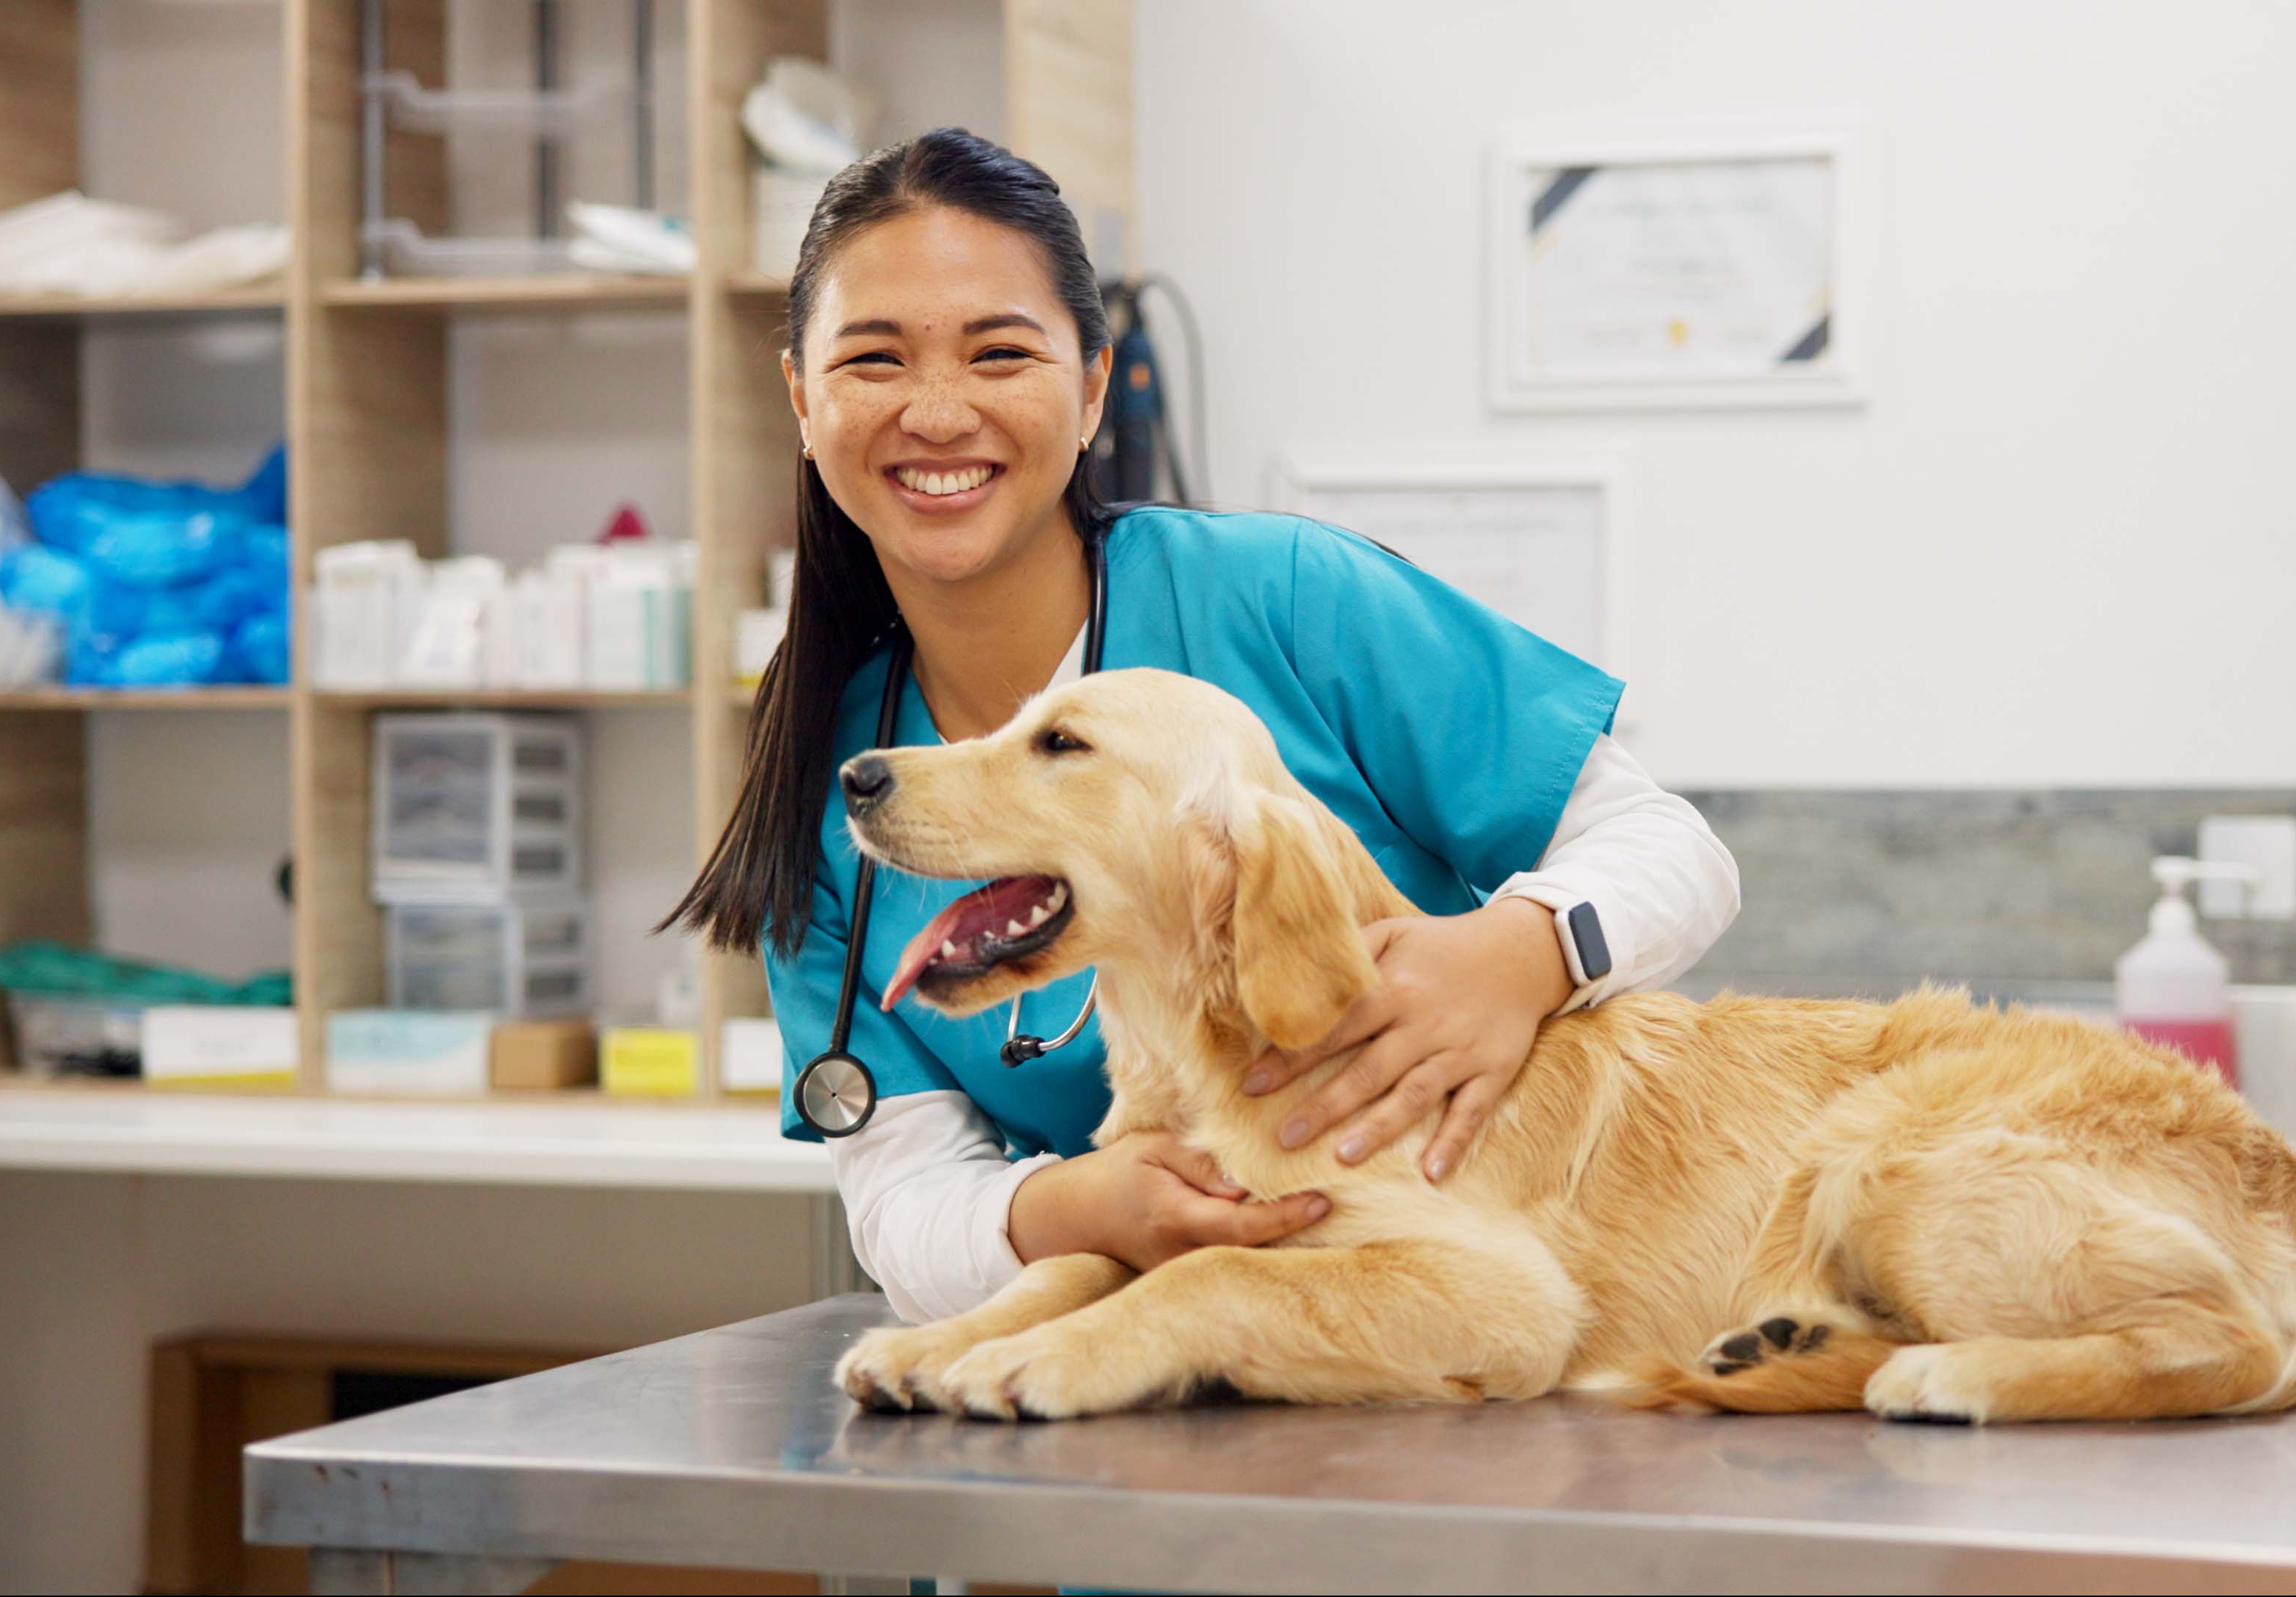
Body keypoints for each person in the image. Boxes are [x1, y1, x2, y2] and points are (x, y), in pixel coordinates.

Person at [668, 129, 1739, 1326]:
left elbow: (1675, 852)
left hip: (1471, 1315)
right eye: (874, 359)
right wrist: (1078, 1207)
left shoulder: (1283, 598)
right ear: (803, 401)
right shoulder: (836, 772)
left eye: (998, 353)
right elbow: (903, 1208)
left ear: (1088, 391)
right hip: (1170, 1372)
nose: (936, 408)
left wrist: (1521, 955)